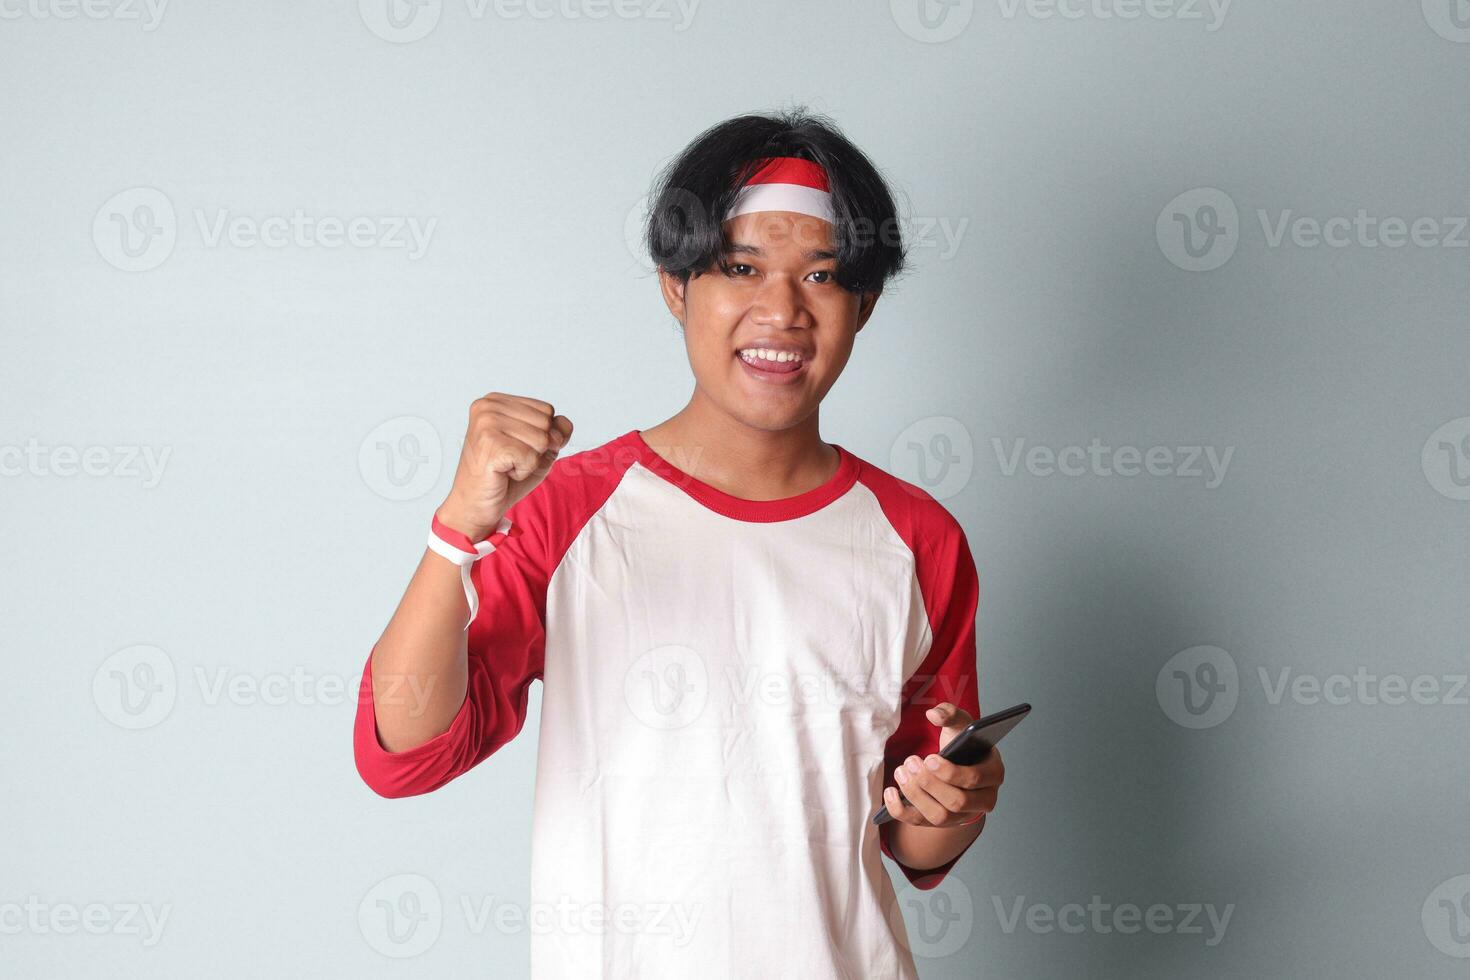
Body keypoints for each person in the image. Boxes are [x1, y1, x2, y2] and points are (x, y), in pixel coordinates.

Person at [352, 107, 1006, 979]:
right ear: (677, 286)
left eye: (820, 276)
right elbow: (403, 751)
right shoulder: (569, 509)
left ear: (865, 303)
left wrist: (957, 800)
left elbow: (913, 842)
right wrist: (457, 531)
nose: (781, 311)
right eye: (740, 268)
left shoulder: (918, 538)